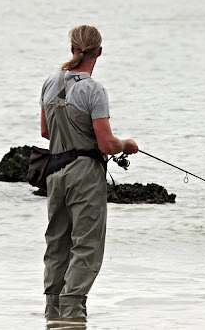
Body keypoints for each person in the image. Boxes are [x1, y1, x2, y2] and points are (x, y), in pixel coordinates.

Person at [39, 25, 139, 322]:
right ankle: (71, 313)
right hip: (84, 174)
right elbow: (107, 143)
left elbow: (46, 132)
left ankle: (52, 313)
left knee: (57, 243)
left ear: (72, 49)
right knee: (86, 245)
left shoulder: (49, 82)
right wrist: (127, 145)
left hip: (54, 172)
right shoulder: (93, 89)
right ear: (99, 52)